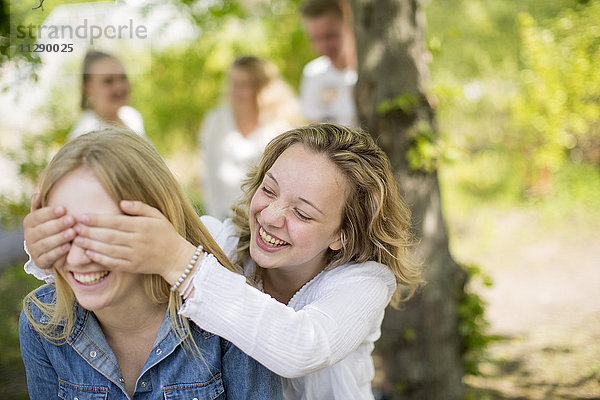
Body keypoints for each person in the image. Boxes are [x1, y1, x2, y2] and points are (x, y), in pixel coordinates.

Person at [24, 124, 422, 399]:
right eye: (269, 190)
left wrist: (180, 260)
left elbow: (301, 347)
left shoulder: (364, 282)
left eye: (302, 213)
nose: (270, 216)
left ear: (343, 234)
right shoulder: (227, 242)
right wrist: (50, 250)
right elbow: (141, 245)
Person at [19, 129, 282, 399]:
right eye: (62, 233)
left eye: (102, 234)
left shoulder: (232, 321)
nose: (76, 258)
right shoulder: (41, 324)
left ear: (155, 224)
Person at [200, 56, 302, 220]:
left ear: (260, 89)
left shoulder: (280, 126)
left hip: (265, 218)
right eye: (232, 83)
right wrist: (216, 219)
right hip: (224, 215)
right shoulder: (216, 121)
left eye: (243, 85)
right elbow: (209, 176)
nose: (234, 91)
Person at [299, 0, 358, 127]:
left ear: (348, 27)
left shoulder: (371, 70)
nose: (323, 46)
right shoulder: (313, 73)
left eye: (330, 36)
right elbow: (314, 126)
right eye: (316, 38)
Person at [69, 50, 145, 139]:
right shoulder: (85, 136)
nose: (119, 86)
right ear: (89, 88)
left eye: (123, 77)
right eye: (108, 81)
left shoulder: (132, 117)